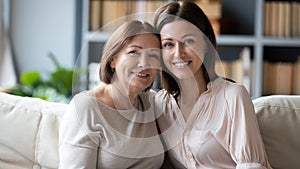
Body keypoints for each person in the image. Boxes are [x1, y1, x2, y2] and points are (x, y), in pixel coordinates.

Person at [153, 1, 272, 169]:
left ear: (206, 44)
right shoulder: (160, 105)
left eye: (188, 41)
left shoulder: (232, 96)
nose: (178, 53)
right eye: (168, 44)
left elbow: (251, 165)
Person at [59, 20, 165, 169]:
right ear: (113, 60)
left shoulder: (153, 103)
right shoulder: (86, 108)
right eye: (134, 52)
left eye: (153, 56)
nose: (144, 63)